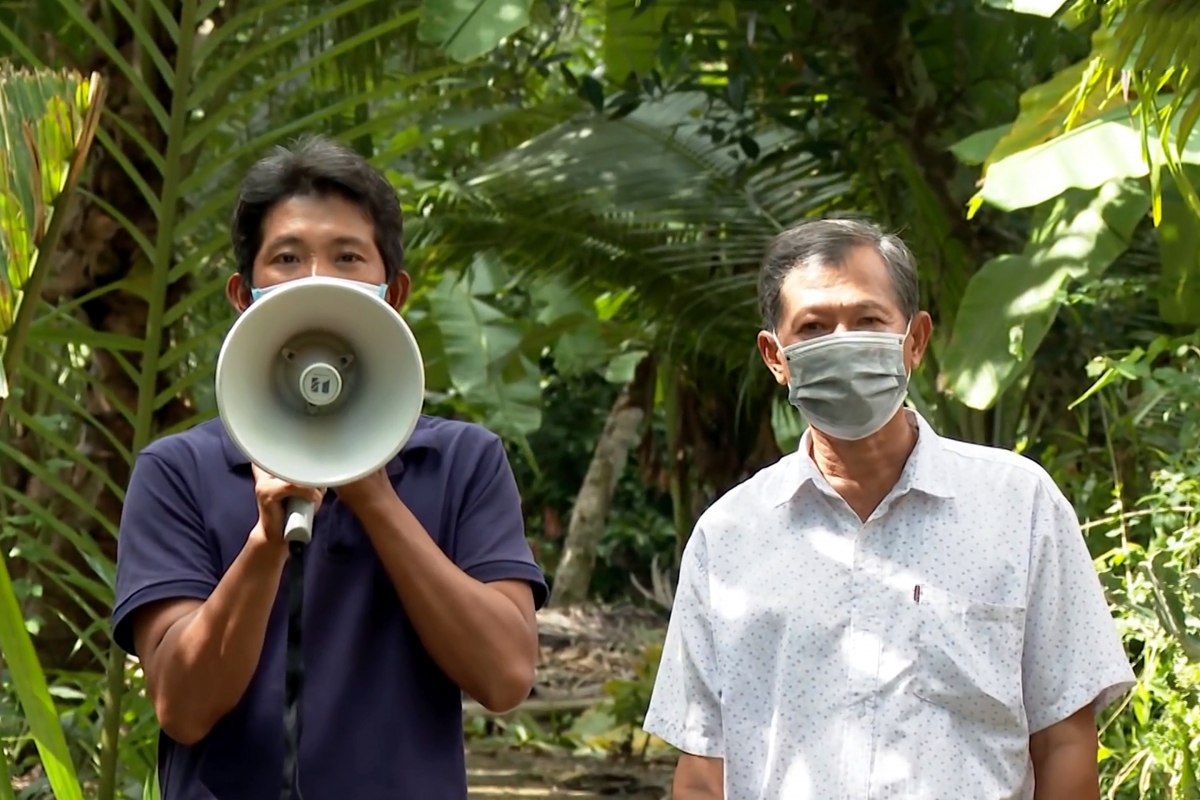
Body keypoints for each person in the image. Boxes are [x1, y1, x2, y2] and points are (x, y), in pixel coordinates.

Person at [111, 134, 547, 800]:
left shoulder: (461, 462)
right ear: (243, 295)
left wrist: (373, 493)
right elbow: (184, 705)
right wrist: (264, 542)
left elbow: (504, 676)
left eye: (347, 257)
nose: (317, 280)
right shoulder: (180, 471)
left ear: (392, 292)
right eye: (287, 258)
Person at [642, 217, 1135, 800]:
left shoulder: (1017, 506)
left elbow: (1064, 740)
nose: (843, 342)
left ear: (915, 341)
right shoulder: (729, 536)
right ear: (776, 357)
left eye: (868, 320)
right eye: (815, 327)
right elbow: (703, 769)